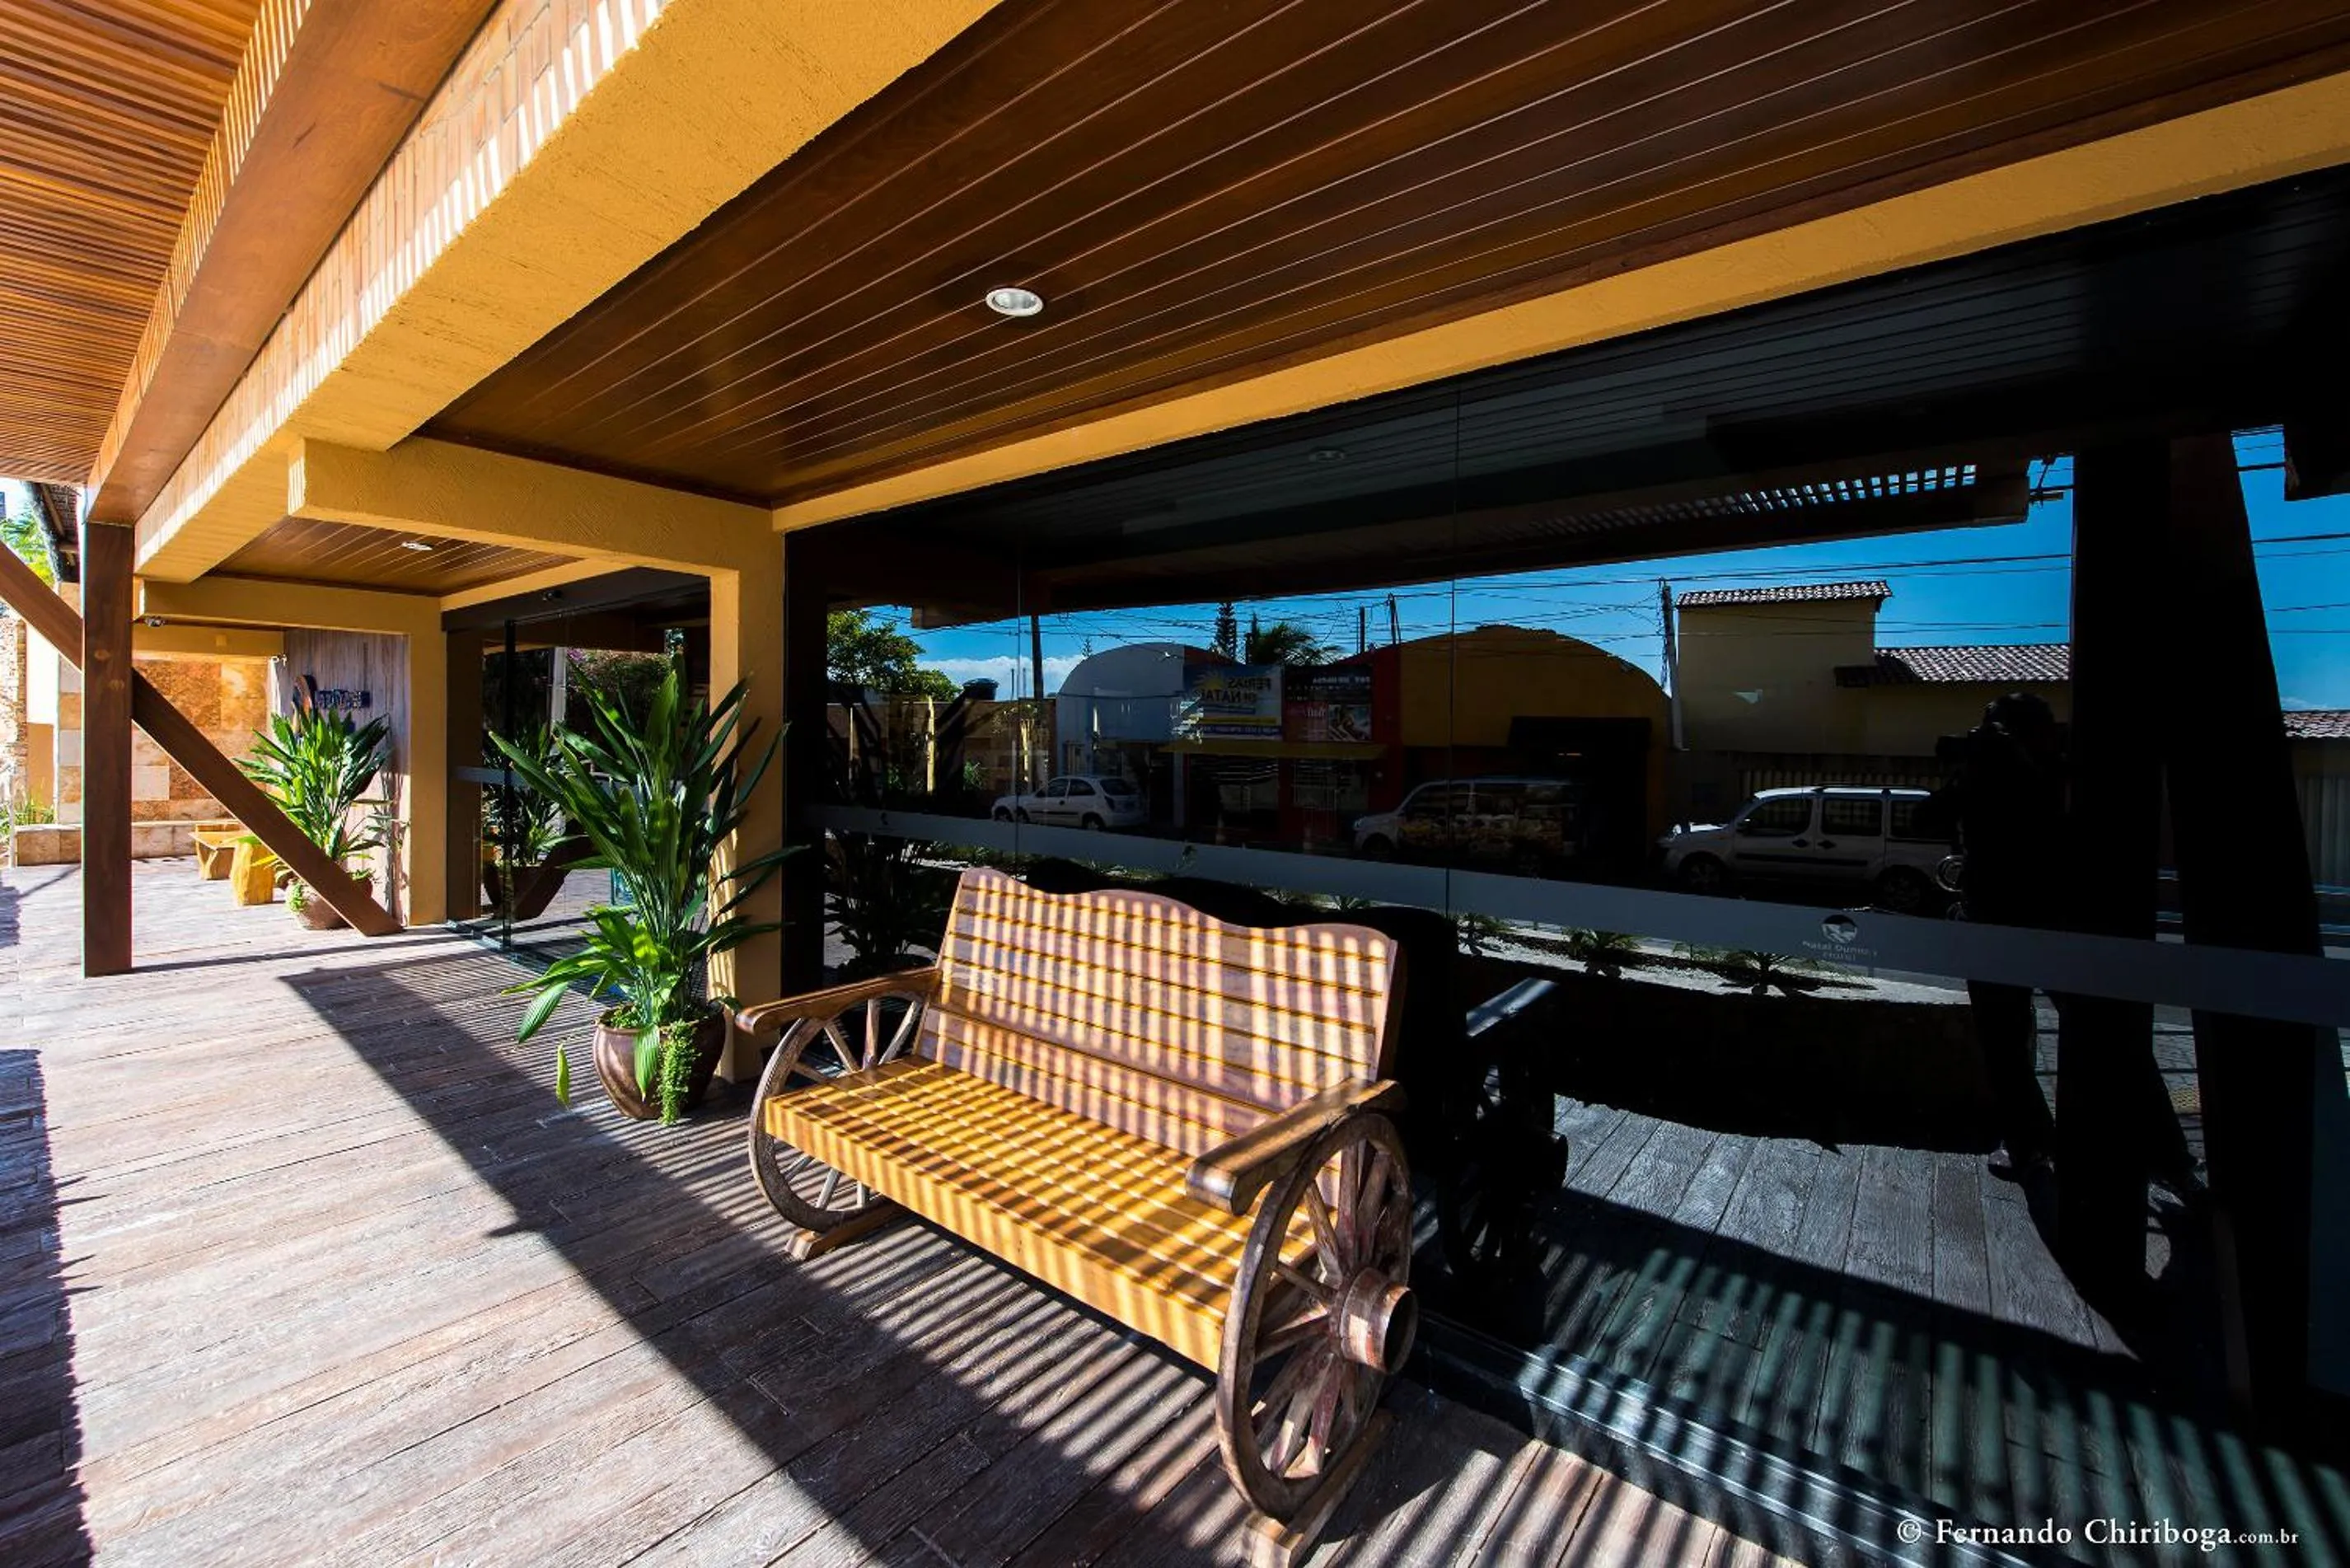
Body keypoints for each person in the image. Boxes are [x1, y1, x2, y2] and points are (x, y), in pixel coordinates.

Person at [1923, 692, 2066, 1177]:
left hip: (2013, 920)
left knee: (2007, 1041)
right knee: (2011, 1041)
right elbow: (1933, 816)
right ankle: (2033, 1141)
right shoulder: (2013, 772)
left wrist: (2001, 765)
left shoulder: (2046, 773)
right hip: (2046, 921)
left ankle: (2032, 1144)